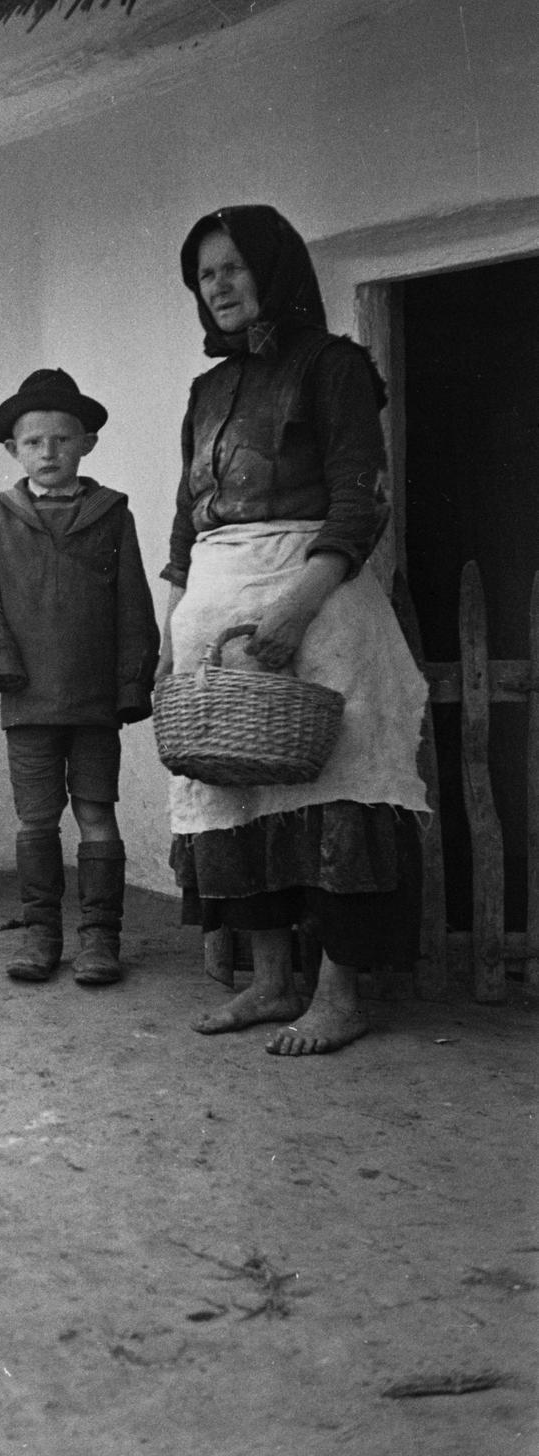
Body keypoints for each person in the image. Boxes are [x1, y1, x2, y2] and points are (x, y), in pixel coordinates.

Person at [160, 205, 428, 1055]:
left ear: (274, 270)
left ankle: (341, 995)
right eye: (207, 276)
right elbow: (182, 527)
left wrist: (292, 607)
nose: (220, 287)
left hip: (313, 603)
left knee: (336, 792)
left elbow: (361, 497)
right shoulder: (207, 392)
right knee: (233, 794)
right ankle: (272, 983)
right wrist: (178, 627)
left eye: (235, 268)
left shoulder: (334, 366)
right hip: (219, 605)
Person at [0, 369, 159, 986]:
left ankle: (101, 938)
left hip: (94, 698)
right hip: (27, 698)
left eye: (63, 439)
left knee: (97, 810)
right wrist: (2, 662)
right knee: (37, 819)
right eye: (34, 442)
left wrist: (131, 684)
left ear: (87, 444)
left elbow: (134, 605)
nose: (49, 452)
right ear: (12, 450)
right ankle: (42, 932)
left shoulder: (112, 514)